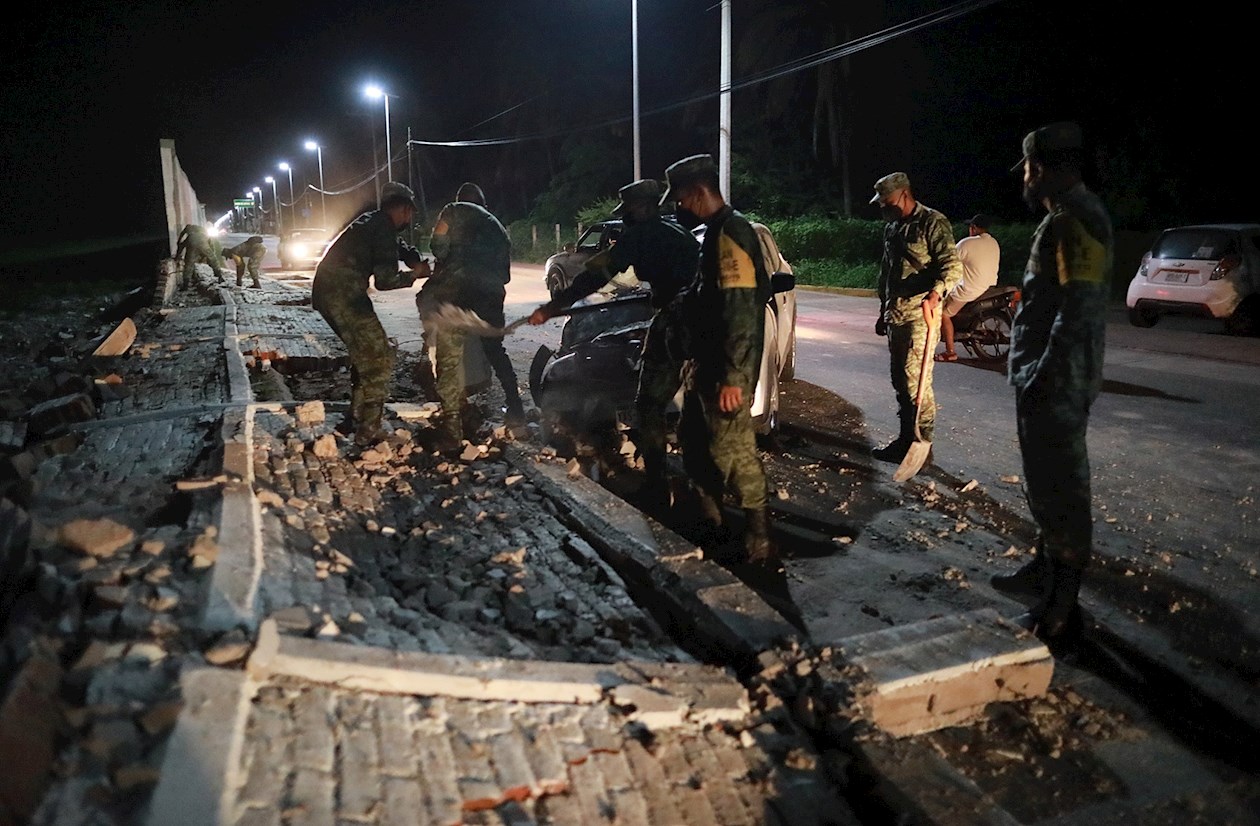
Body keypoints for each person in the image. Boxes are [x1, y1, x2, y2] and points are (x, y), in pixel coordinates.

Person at [994, 122, 1112, 648]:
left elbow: (1079, 312)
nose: (1023, 177)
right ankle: (1045, 571)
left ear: (1040, 168)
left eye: (1026, 167)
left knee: (1063, 487)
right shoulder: (1067, 218)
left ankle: (1063, 607)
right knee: (1045, 481)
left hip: (1056, 381)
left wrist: (1042, 376)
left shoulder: (1073, 221)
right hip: (1045, 376)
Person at [527, 178, 700, 508]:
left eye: (629, 212)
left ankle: (657, 487)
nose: (625, 219)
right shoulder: (677, 234)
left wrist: (552, 306)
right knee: (694, 404)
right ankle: (700, 486)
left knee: (648, 404)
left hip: (677, 321)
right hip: (701, 324)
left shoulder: (641, 236)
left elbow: (597, 275)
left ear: (645, 208)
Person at [663, 154, 775, 564]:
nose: (678, 207)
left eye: (679, 198)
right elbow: (704, 297)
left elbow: (741, 310)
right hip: (704, 366)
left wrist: (734, 377)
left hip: (724, 372)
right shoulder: (714, 233)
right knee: (694, 441)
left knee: (736, 452)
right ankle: (710, 523)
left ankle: (759, 540)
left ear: (696, 192)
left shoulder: (730, 233)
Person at [312, 182, 429, 446]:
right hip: (343, 295)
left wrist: (411, 255)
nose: (409, 219)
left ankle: (356, 416)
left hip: (329, 291)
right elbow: (385, 281)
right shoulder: (383, 228)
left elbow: (397, 245)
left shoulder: (372, 221)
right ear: (402, 209)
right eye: (409, 213)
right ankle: (369, 428)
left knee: (364, 354)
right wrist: (416, 274)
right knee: (379, 357)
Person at [416, 183, 523, 448]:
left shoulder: (453, 210)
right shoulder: (498, 228)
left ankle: (453, 418)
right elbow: (506, 275)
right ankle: (516, 409)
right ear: (483, 204)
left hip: (459, 296)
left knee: (447, 355)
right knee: (496, 350)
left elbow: (437, 247)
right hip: (490, 297)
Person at [870, 172, 963, 463]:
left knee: (916, 384)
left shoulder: (932, 222)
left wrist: (936, 294)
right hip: (896, 315)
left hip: (921, 316)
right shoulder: (892, 227)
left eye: (887, 202)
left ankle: (923, 445)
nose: (884, 207)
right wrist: (883, 310)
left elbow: (952, 267)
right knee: (900, 381)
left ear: (905, 195)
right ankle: (905, 440)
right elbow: (887, 272)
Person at [937, 214, 1001, 361]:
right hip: (989, 287)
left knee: (943, 314)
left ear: (973, 228)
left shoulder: (967, 243)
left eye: (970, 227)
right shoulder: (994, 242)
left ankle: (950, 352)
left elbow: (948, 261)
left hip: (971, 289)